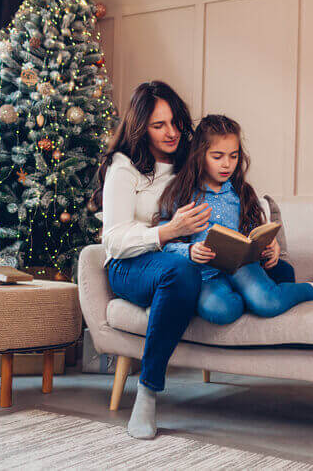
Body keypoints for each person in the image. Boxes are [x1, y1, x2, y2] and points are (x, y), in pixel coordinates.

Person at [92, 81, 212, 440]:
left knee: (184, 271)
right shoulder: (124, 167)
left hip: (179, 261)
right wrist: (168, 232)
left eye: (175, 122)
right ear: (141, 127)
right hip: (128, 266)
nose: (172, 132)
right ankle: (147, 392)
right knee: (179, 270)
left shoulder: (189, 160)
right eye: (159, 125)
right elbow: (113, 239)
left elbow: (229, 191)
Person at [154, 114, 313, 326]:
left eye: (233, 156)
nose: (227, 164)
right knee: (221, 311)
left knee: (268, 302)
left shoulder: (241, 192)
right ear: (200, 155)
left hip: (242, 267)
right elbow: (164, 241)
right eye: (217, 156)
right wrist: (191, 251)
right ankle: (247, 297)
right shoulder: (180, 193)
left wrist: (270, 246)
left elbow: (254, 233)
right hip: (204, 275)